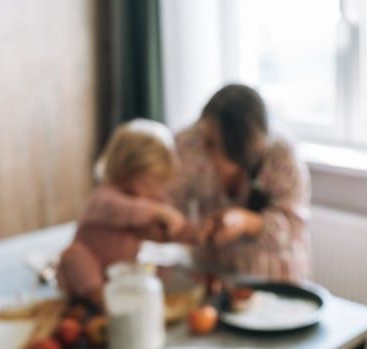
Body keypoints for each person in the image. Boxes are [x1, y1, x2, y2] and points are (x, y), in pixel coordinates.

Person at [170, 84, 311, 282]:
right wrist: (191, 231)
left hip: (273, 276)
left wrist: (246, 222)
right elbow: (169, 206)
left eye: (220, 148)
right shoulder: (187, 144)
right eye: (209, 142)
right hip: (211, 272)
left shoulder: (281, 155)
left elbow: (293, 226)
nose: (213, 157)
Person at [57, 120, 189, 308]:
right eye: (148, 183)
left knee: (154, 268)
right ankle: (101, 299)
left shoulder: (144, 198)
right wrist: (159, 211)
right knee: (75, 257)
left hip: (120, 271)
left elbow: (158, 214)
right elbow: (126, 211)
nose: (153, 191)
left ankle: (120, 297)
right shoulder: (104, 197)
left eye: (158, 184)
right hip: (91, 270)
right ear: (125, 171)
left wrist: (172, 220)